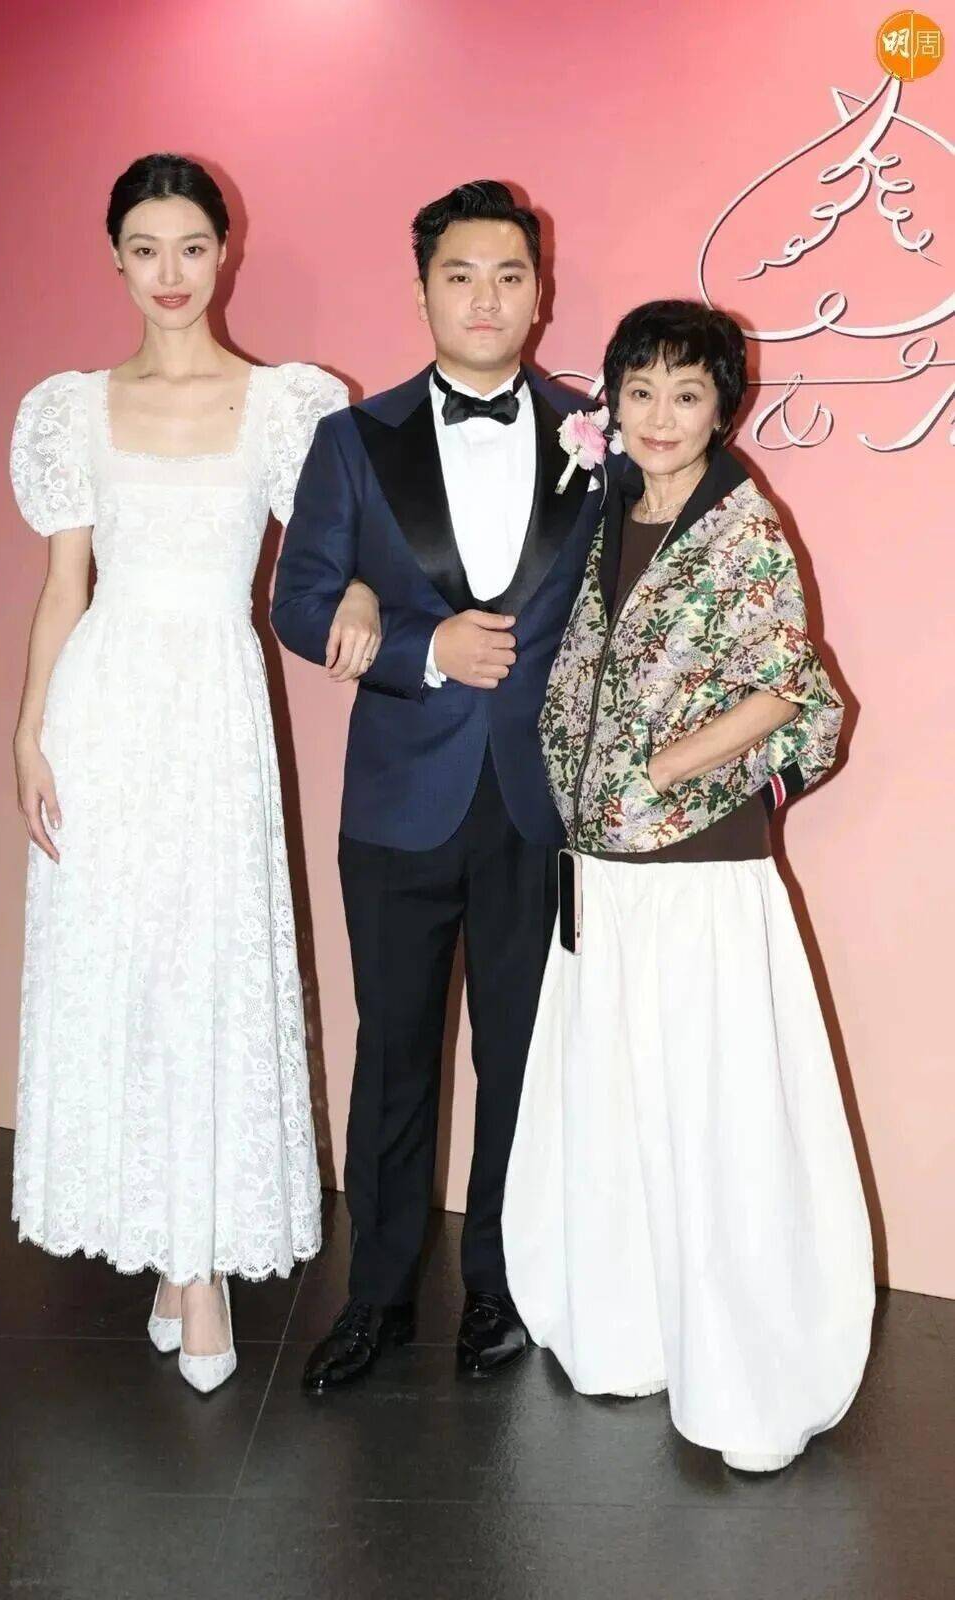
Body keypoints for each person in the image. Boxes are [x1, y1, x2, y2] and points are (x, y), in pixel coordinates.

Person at [502, 299, 875, 1471]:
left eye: (687, 393)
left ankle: (743, 1365)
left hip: (698, 868)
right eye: (641, 391)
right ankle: (629, 1329)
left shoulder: (741, 526)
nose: (660, 415)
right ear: (613, 401)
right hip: (603, 869)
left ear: (723, 408)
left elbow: (789, 686)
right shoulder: (609, 511)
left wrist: (664, 767)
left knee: (713, 1114)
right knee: (621, 1103)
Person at [9, 153, 359, 1393]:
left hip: (214, 705)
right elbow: (65, 588)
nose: (171, 272)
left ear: (226, 252)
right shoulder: (71, 409)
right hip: (103, 707)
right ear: (115, 259)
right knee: (127, 966)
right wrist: (28, 732)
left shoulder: (286, 406)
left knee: (209, 963)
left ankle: (198, 1263)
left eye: (192, 246)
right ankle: (171, 1244)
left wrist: (365, 598)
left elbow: (333, 556)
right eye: (146, 248)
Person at [273, 180, 622, 1391]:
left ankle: (499, 1289)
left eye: (509, 275)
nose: (486, 297)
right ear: (421, 290)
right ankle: (375, 1297)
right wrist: (421, 646)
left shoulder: (597, 437)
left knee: (520, 1057)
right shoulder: (352, 440)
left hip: (533, 805)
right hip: (397, 805)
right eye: (460, 274)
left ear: (540, 293)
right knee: (395, 1056)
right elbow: (299, 600)